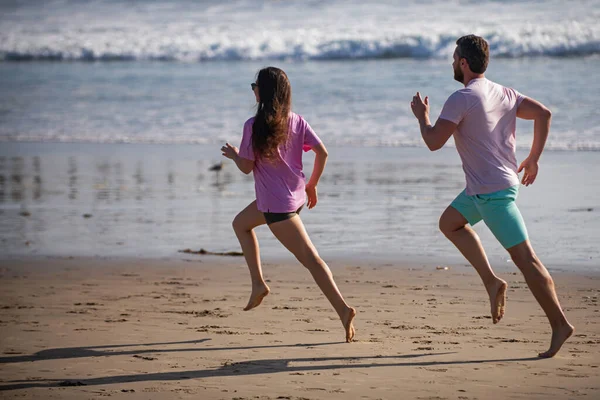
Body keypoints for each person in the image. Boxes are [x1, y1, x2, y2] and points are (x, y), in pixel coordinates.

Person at [410, 35, 574, 358]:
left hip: (492, 194)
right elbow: (544, 114)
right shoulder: (504, 92)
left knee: (527, 260)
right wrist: (534, 157)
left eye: (454, 56)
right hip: (484, 189)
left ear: (463, 63)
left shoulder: (462, 98)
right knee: (450, 223)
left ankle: (560, 324)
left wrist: (422, 117)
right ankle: (491, 281)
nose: (452, 61)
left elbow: (432, 141)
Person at [221, 66, 356, 343]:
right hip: (291, 198)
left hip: (277, 208)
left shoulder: (253, 126)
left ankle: (343, 310)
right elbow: (323, 152)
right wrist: (312, 184)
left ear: (264, 92)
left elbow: (246, 168)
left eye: (254, 85)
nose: (253, 89)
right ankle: (258, 283)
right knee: (241, 224)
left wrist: (235, 155)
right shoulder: (296, 120)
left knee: (311, 259)